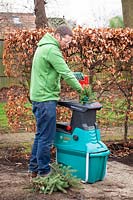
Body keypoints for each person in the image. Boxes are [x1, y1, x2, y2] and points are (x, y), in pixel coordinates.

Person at [28, 25, 82, 178]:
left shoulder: (43, 46)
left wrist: (75, 75)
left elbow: (57, 70)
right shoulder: (52, 50)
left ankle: (34, 169)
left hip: (39, 98)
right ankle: (44, 172)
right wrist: (82, 90)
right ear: (58, 36)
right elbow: (64, 72)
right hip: (45, 99)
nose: (68, 45)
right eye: (67, 41)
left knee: (40, 135)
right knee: (46, 137)